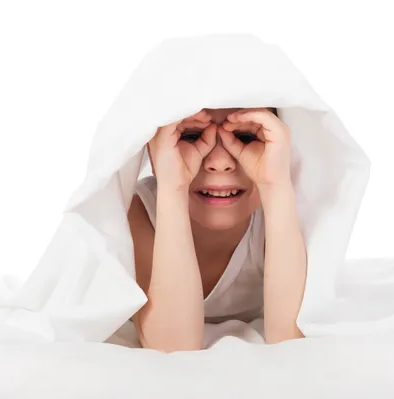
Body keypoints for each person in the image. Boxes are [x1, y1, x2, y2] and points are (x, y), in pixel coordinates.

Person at [127, 106, 307, 352]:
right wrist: (173, 188)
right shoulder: (137, 213)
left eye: (246, 137)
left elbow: (292, 343)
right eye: (190, 136)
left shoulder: (286, 208)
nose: (220, 163)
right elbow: (174, 349)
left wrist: (274, 186)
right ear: (155, 150)